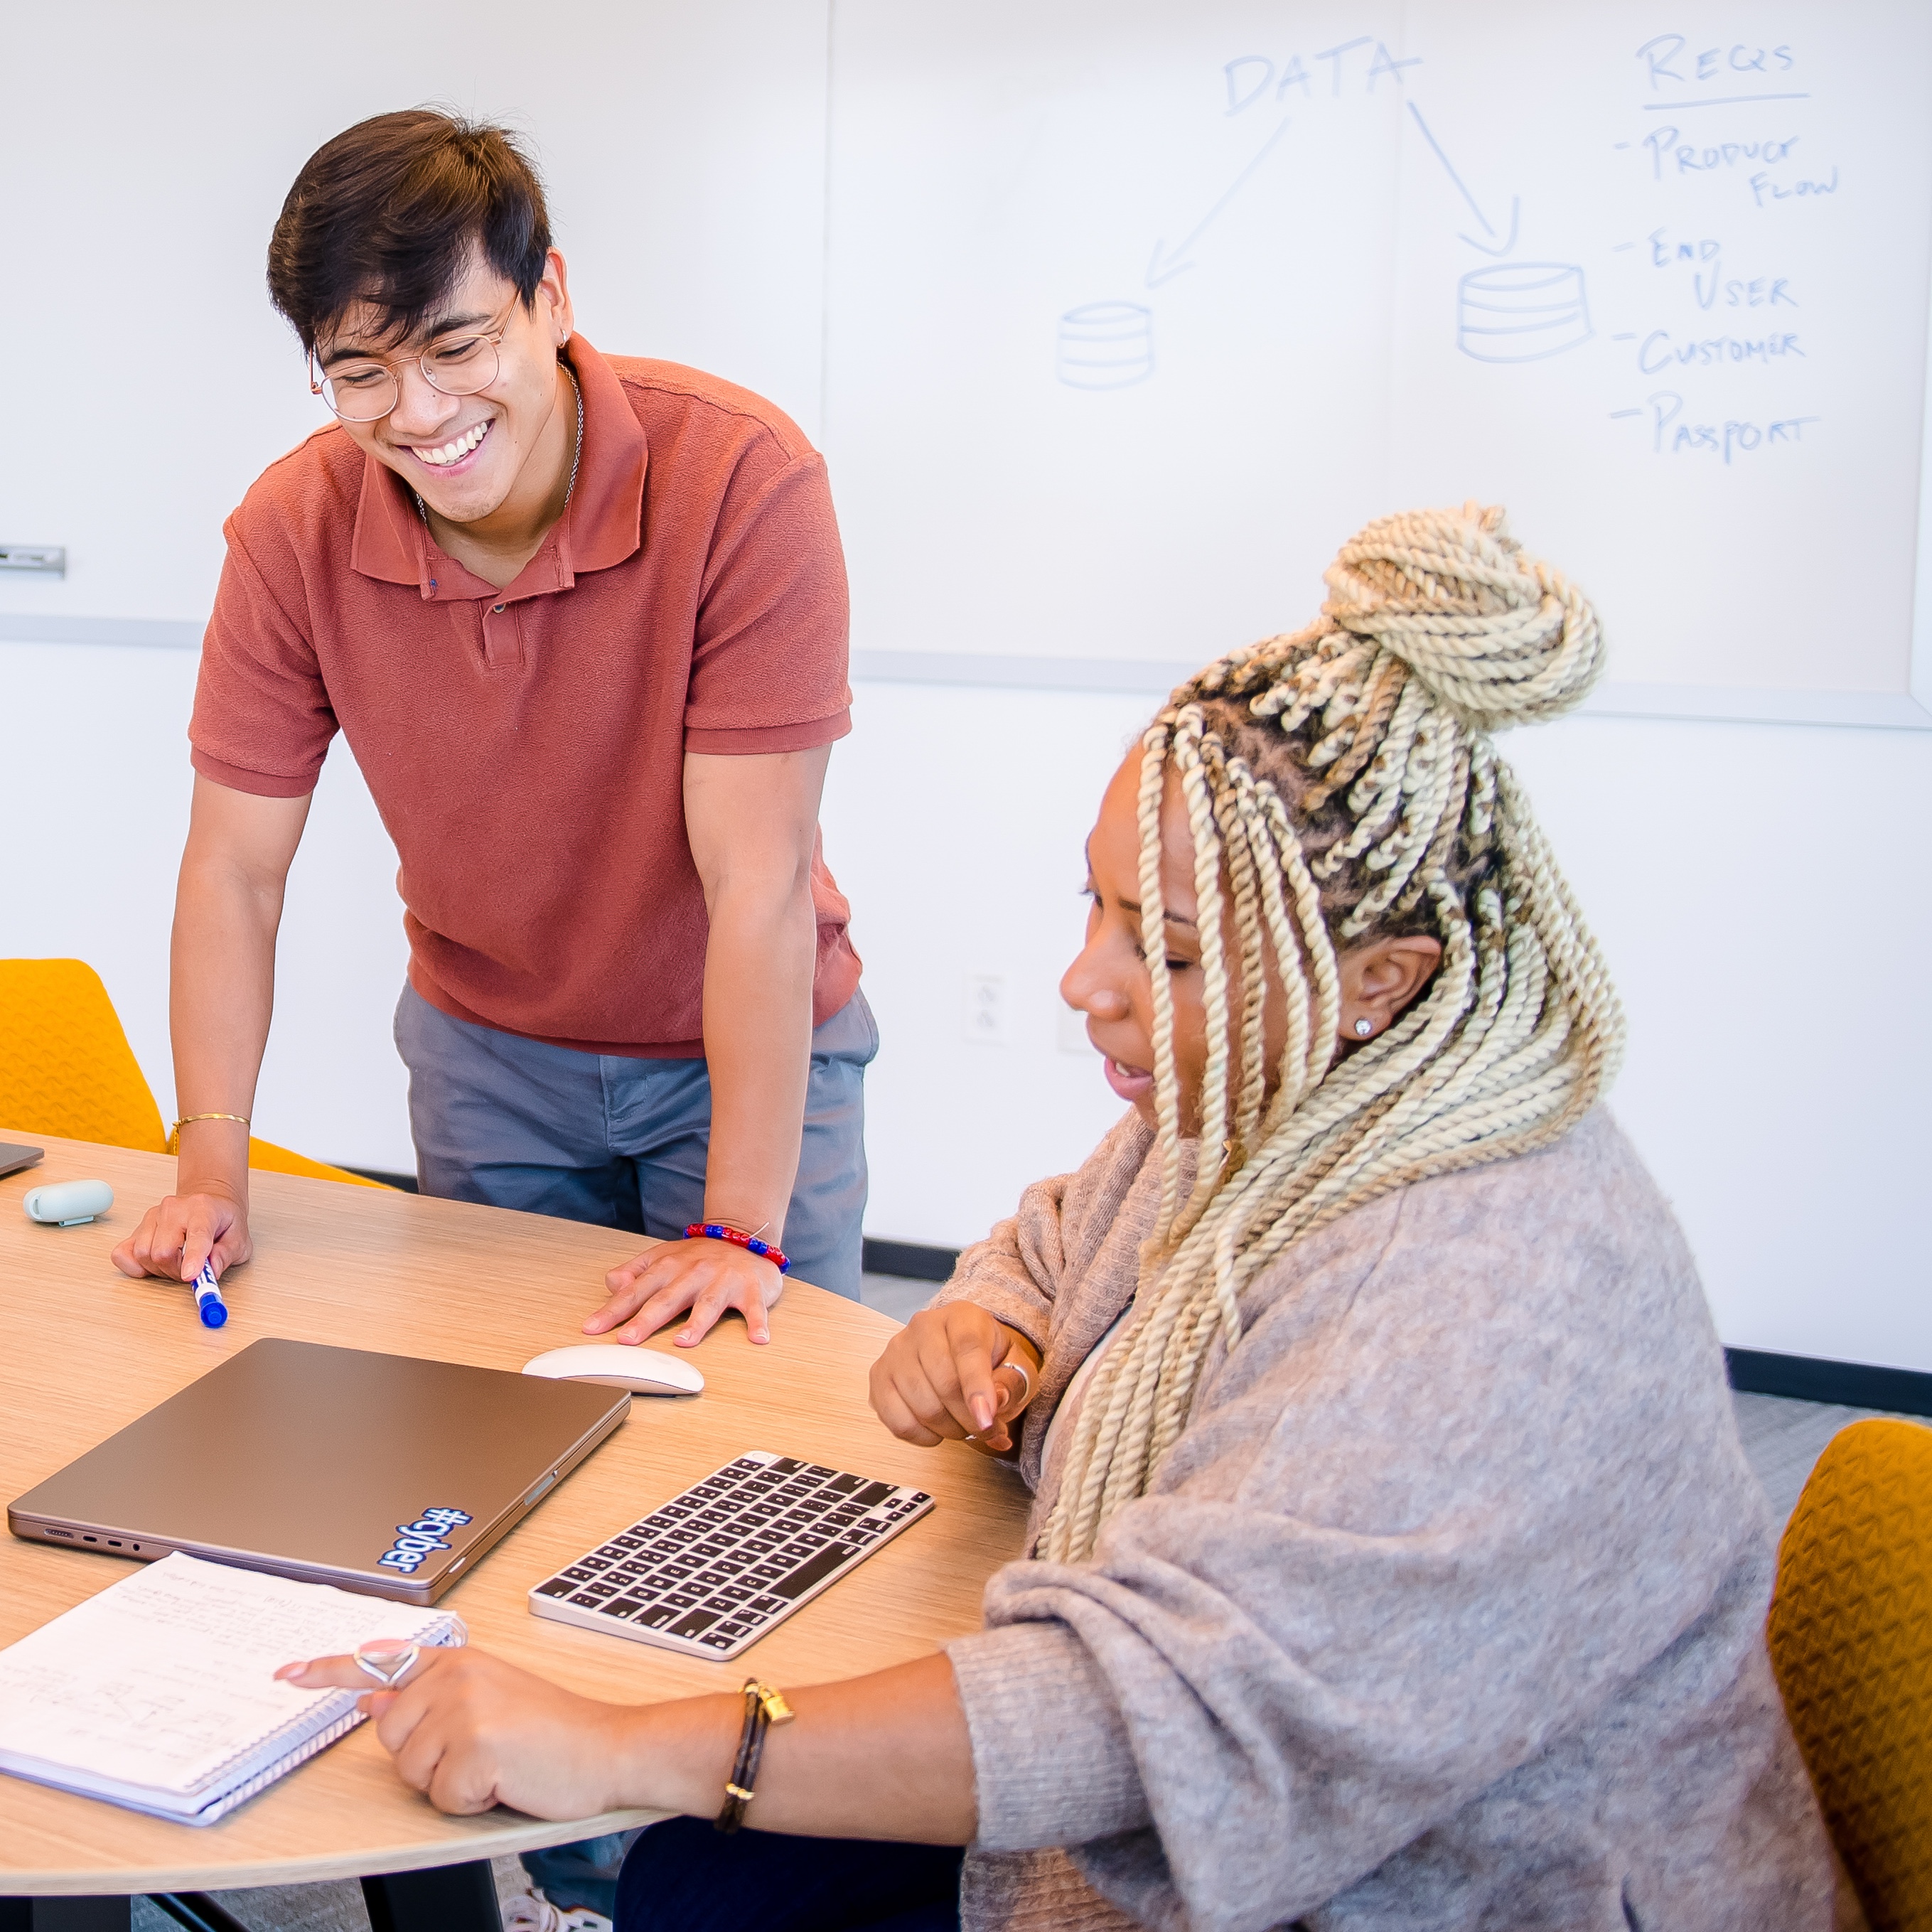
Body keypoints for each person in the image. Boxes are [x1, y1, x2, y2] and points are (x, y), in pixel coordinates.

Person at [278, 506, 1850, 1931]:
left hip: (1440, 1885)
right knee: (710, 1881)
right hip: (1251, 1820)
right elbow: (1054, 1240)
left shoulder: (1483, 1284)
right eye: (1093, 907)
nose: (1083, 981)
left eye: (1167, 951)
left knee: (704, 1859)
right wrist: (1002, 1325)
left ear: (1382, 977)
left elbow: (1141, 1715)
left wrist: (625, 1742)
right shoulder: (1285, 1105)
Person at [112, 109, 874, 1351]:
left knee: (765, 1401)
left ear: (549, 298)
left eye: (456, 346)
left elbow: (760, 880)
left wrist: (739, 1224)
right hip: (489, 1060)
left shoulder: (741, 479)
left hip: (735, 1047)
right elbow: (235, 872)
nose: (419, 413)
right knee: (508, 1400)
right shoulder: (293, 530)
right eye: (361, 371)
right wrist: (210, 1177)